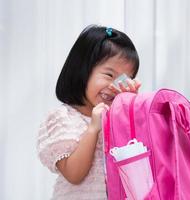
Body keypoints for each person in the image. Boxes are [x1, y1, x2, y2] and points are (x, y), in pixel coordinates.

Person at [37, 25, 141, 199]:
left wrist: (129, 110)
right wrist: (93, 129)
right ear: (82, 71)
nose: (115, 87)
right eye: (109, 75)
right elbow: (74, 174)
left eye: (124, 80)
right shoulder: (63, 119)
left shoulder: (116, 120)